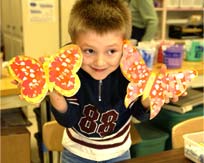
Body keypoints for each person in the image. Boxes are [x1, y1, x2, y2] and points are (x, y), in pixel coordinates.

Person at [12, 0, 181, 162]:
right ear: (73, 46)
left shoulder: (129, 73)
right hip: (76, 154)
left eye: (111, 51)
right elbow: (68, 120)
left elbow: (138, 113)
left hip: (119, 153)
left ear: (125, 46)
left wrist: (150, 98)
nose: (100, 62)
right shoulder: (68, 74)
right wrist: (55, 94)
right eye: (89, 50)